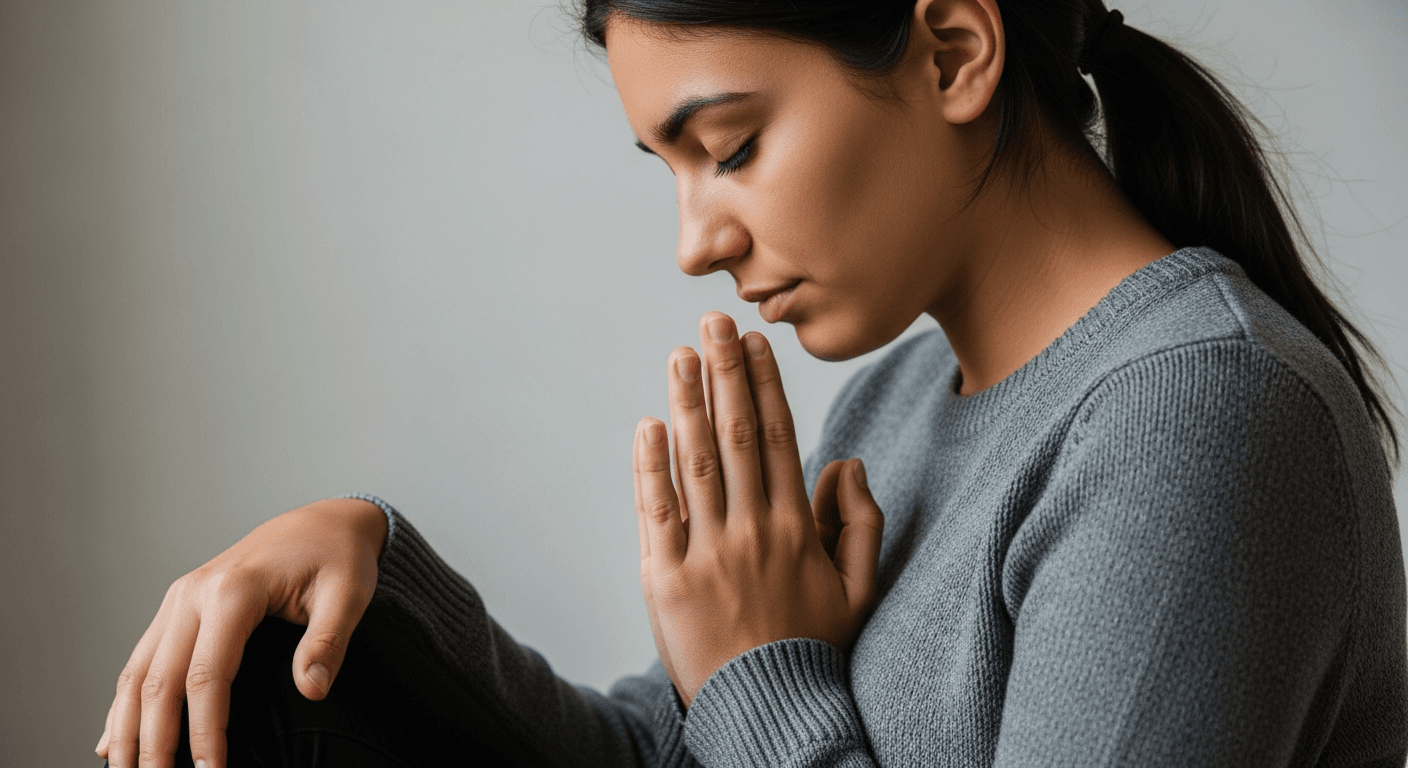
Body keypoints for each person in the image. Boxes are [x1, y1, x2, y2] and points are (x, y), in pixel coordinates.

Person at [97, 0, 1408, 766]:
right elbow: (699, 748)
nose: (695, 242)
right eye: (666, 169)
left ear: (953, 50)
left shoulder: (1203, 424)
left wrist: (759, 671)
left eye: (728, 148)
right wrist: (380, 575)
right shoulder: (895, 405)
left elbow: (750, 715)